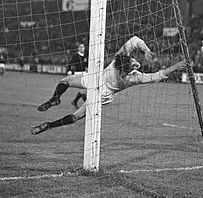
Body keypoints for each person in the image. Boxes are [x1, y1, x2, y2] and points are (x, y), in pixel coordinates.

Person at [31, 36, 187, 135]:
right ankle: (51, 118)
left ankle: (53, 108)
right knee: (76, 114)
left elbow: (134, 40)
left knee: (65, 83)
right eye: (133, 62)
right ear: (129, 67)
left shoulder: (117, 60)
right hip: (102, 91)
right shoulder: (132, 78)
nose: (134, 62)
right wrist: (176, 66)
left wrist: (145, 49)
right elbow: (157, 76)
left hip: (97, 83)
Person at [67, 43, 88, 109]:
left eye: (83, 47)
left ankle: (75, 101)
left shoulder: (85, 56)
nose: (82, 48)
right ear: (78, 48)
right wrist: (69, 70)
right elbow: (70, 63)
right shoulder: (76, 56)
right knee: (83, 90)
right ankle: (87, 105)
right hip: (78, 74)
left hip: (84, 73)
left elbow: (86, 65)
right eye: (80, 47)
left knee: (84, 89)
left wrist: (88, 69)